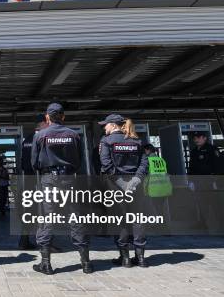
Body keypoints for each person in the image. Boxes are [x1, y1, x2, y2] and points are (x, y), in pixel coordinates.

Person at [31, 103, 92, 274]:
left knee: (47, 219)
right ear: (63, 116)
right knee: (76, 218)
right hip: (69, 179)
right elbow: (79, 160)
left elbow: (34, 163)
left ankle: (46, 264)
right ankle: (85, 263)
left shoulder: (40, 135)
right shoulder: (74, 135)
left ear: (47, 117)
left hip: (49, 179)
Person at [99, 115, 149, 268]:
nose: (104, 128)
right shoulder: (136, 141)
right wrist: (136, 180)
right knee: (137, 220)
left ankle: (125, 258)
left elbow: (106, 165)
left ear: (113, 125)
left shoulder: (106, 141)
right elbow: (144, 163)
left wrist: (121, 182)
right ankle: (140, 258)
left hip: (116, 186)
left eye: (105, 125)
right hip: (135, 186)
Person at [18, 114, 46, 250]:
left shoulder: (26, 140)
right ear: (43, 123)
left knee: (28, 210)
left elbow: (22, 163)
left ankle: (24, 240)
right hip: (41, 178)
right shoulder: (43, 138)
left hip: (28, 179)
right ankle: (46, 243)